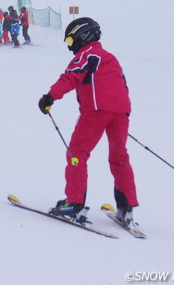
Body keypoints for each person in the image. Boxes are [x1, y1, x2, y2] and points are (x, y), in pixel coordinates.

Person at [37, 17, 139, 227]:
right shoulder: (110, 57)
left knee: (77, 153)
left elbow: (71, 76)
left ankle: (74, 205)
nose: (70, 47)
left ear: (82, 36)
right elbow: (122, 84)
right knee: (119, 157)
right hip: (120, 111)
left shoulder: (87, 54)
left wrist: (50, 97)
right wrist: (120, 114)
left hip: (96, 111)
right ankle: (125, 208)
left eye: (70, 42)